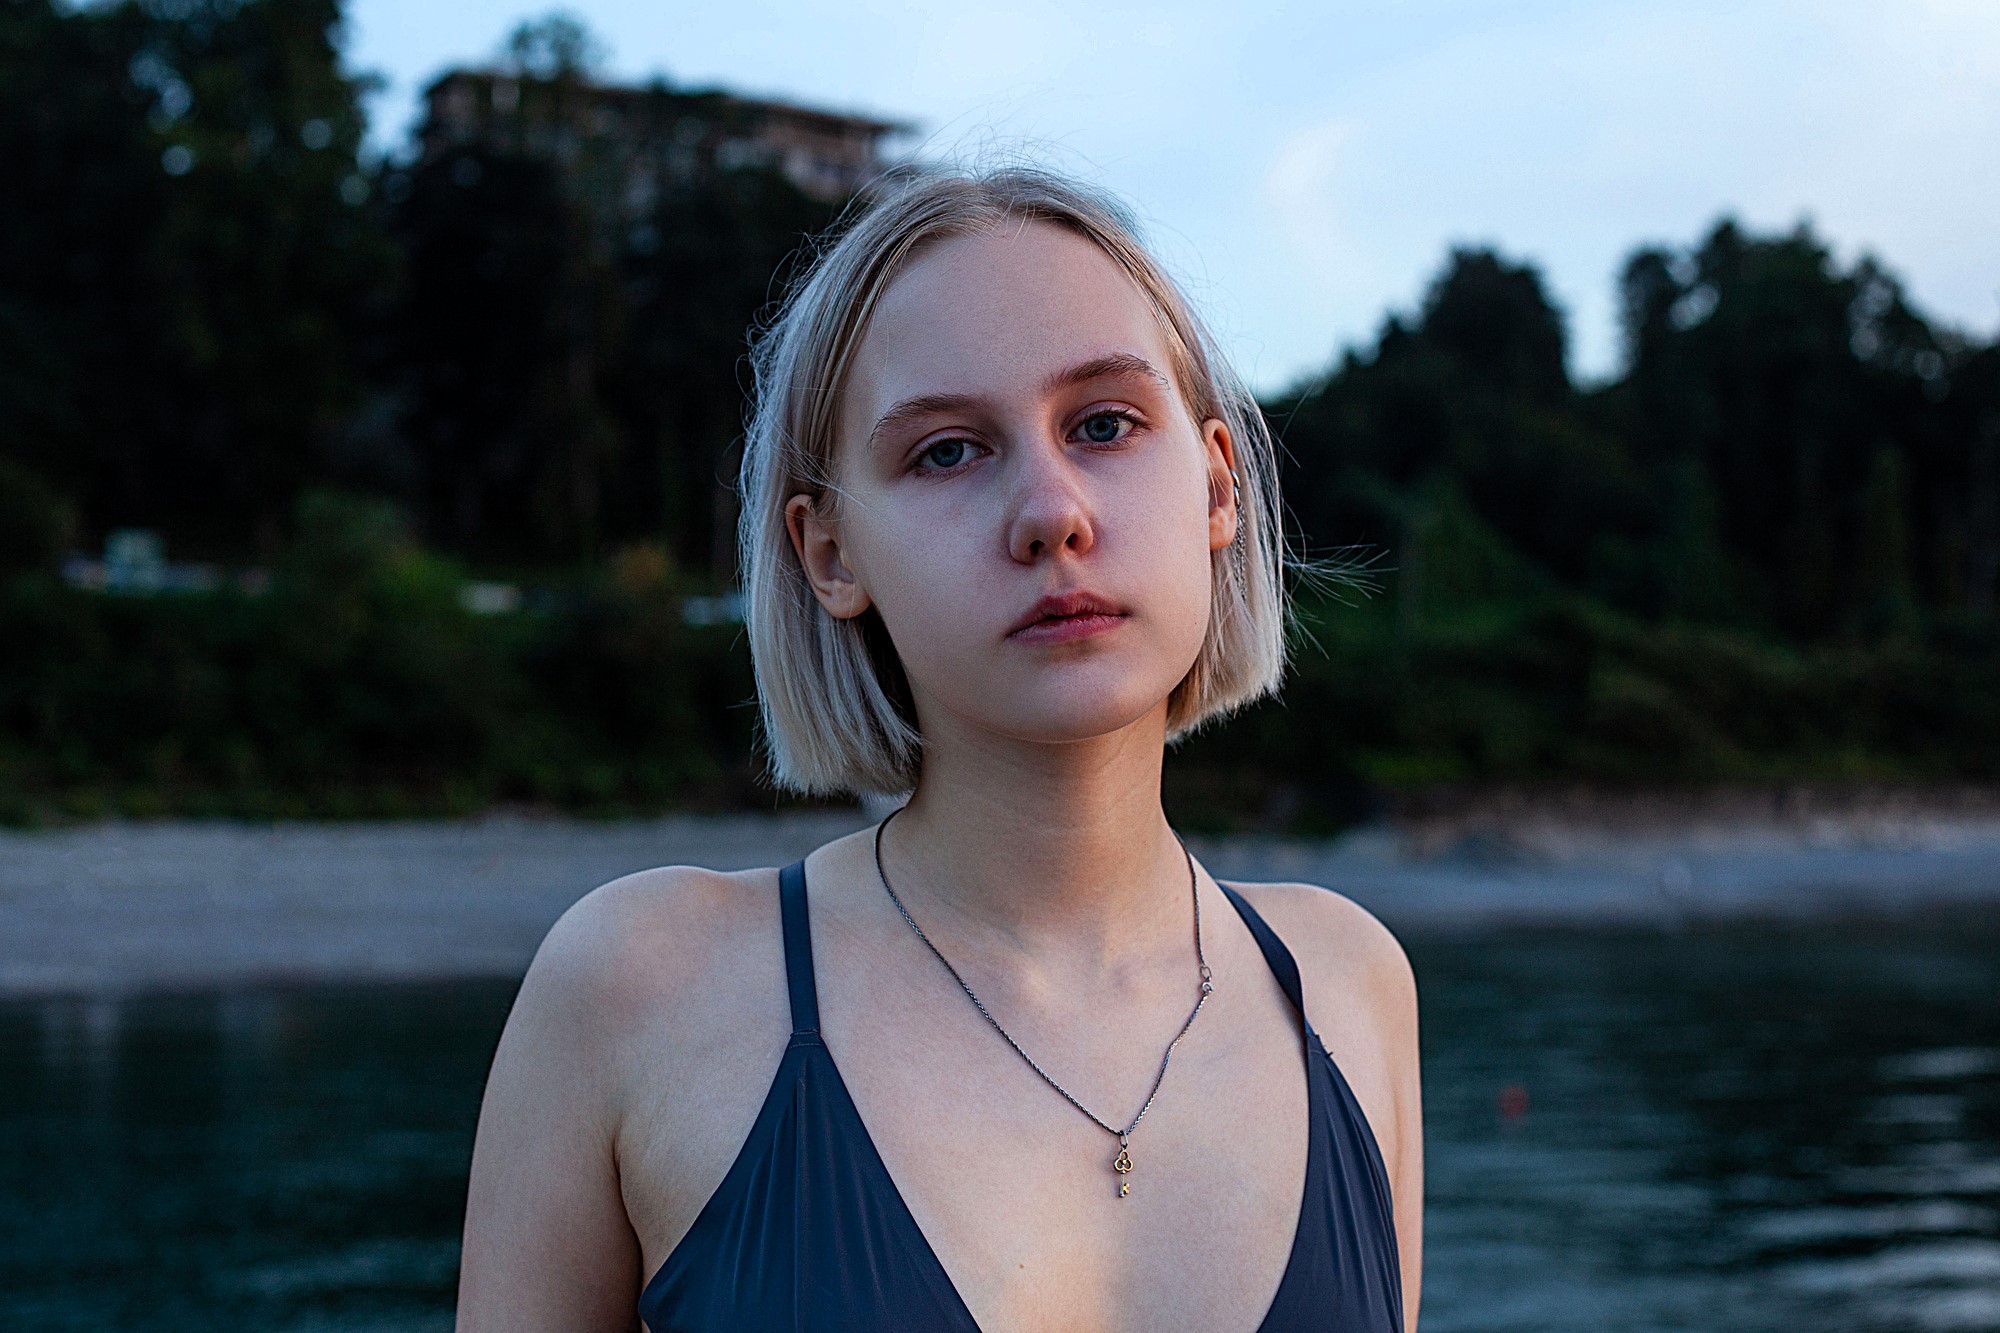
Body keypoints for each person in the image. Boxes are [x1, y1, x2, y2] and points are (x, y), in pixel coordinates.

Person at [455, 163, 1423, 1332]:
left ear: (1217, 487)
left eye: (1104, 424)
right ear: (829, 555)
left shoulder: (1345, 987)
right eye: (947, 452)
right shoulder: (637, 990)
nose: (1050, 511)